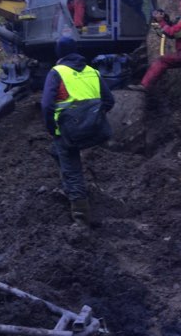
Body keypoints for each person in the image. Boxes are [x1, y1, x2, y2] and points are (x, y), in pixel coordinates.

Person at [41, 36, 115, 226]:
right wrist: (93, 117)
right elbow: (109, 101)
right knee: (55, 152)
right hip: (96, 130)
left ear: (59, 53)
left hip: (69, 133)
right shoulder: (93, 72)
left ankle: (81, 217)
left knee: (71, 170)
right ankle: (74, 188)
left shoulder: (57, 72)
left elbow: (47, 106)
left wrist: (52, 128)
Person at [128, 0, 181, 123]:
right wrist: (163, 21)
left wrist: (161, 21)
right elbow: (171, 30)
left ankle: (144, 85)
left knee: (163, 61)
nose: (180, 8)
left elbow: (172, 33)